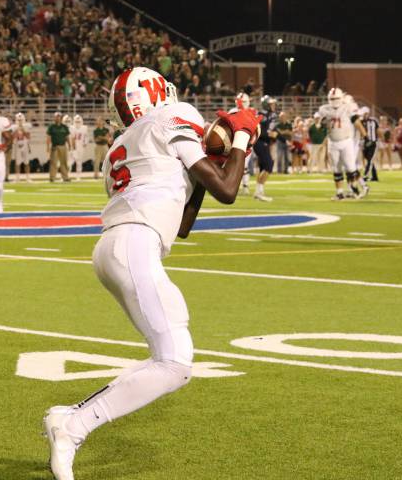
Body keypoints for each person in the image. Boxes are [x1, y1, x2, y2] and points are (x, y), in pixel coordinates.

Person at [43, 67, 261, 480]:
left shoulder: (120, 147)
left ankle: (70, 421)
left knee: (172, 355)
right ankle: (71, 423)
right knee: (175, 363)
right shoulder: (173, 116)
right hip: (135, 244)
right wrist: (242, 142)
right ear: (160, 92)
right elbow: (228, 192)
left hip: (115, 246)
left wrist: (213, 161)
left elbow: (182, 222)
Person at [316, 87, 368, 199]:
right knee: (336, 169)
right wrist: (320, 124)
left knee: (350, 168)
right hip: (332, 141)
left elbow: (357, 122)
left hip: (346, 141)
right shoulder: (324, 109)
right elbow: (318, 124)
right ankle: (339, 192)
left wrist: (365, 135)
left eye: (336, 98)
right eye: (332, 98)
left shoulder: (347, 107)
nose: (334, 100)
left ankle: (357, 188)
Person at [252, 96, 278, 201]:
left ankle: (259, 191)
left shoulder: (268, 115)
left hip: (264, 142)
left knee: (263, 167)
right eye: (271, 104)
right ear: (266, 105)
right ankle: (258, 191)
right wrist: (270, 135)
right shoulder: (261, 115)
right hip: (260, 142)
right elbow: (259, 132)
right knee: (269, 165)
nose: (273, 106)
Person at [47, 113, 70, 183]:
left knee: (64, 162)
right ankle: (52, 177)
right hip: (55, 146)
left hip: (63, 146)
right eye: (56, 117)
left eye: (58, 117)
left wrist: (70, 145)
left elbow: (67, 137)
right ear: (54, 118)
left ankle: (65, 177)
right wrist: (47, 147)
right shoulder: (51, 127)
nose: (57, 118)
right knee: (53, 162)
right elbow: (48, 137)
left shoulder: (64, 127)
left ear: (61, 118)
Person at [11, 113, 32, 183]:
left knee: (27, 162)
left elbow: (28, 137)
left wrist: (22, 129)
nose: (20, 121)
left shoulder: (26, 126)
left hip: (25, 145)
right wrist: (17, 130)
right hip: (17, 146)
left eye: (21, 120)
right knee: (17, 163)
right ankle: (17, 178)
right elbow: (12, 137)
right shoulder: (14, 127)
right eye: (18, 120)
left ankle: (28, 178)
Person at [361, 107, 380, 182]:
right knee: (369, 160)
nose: (365, 115)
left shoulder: (374, 121)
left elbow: (378, 130)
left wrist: (381, 139)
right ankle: (375, 177)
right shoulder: (361, 121)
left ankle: (365, 175)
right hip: (365, 143)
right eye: (364, 113)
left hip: (373, 143)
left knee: (370, 160)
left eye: (366, 113)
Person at [69, 115, 88, 180]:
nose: (77, 123)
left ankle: (78, 175)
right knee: (71, 161)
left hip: (81, 146)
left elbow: (86, 136)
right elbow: (71, 138)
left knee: (79, 162)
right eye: (76, 121)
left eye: (78, 121)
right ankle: (67, 174)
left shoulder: (84, 128)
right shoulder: (71, 127)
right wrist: (72, 146)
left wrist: (85, 143)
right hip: (73, 146)